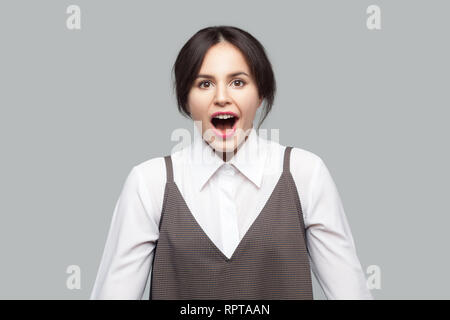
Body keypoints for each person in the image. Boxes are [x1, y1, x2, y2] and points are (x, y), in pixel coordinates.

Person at [90, 25, 373, 300]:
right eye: (204, 84)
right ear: (185, 99)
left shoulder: (305, 174)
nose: (222, 97)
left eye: (238, 82)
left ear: (260, 93)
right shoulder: (149, 183)